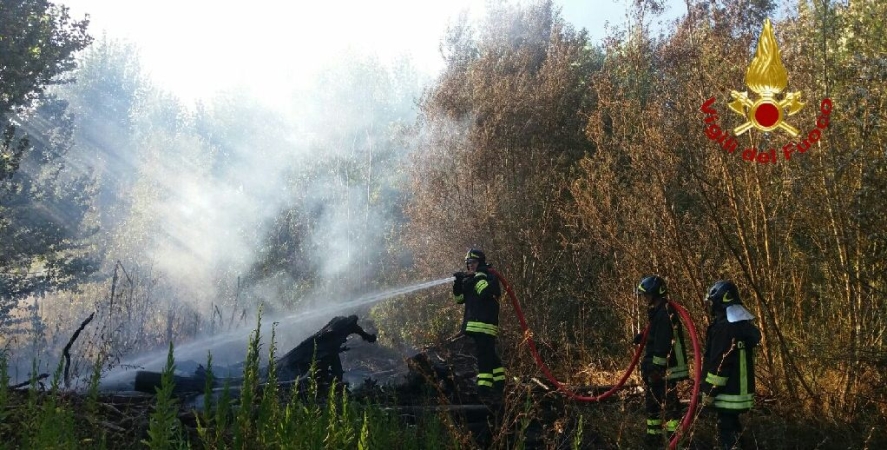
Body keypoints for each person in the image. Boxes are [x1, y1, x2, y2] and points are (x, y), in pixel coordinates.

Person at [700, 280, 762, 450]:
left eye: (712, 302)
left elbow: (720, 364)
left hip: (727, 394)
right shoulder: (741, 326)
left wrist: (709, 392)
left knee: (727, 433)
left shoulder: (724, 329)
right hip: (741, 393)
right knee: (734, 429)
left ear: (720, 301)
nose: (711, 306)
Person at [635, 275, 690, 448]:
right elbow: (657, 334)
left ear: (654, 294)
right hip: (660, 369)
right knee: (653, 403)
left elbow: (663, 342)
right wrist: (644, 336)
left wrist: (656, 367)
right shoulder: (659, 311)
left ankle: (674, 439)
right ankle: (654, 439)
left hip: (664, 369)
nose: (644, 298)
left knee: (669, 403)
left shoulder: (665, 313)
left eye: (646, 295)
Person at [453, 248, 505, 402]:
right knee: (490, 355)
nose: (470, 266)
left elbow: (484, 292)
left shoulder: (490, 277)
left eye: (473, 263)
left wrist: (479, 274)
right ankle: (499, 383)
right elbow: (460, 299)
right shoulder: (471, 279)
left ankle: (484, 388)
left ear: (481, 263)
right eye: (468, 264)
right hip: (474, 326)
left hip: (486, 325)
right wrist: (457, 284)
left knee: (484, 357)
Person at [275, 314, 377, 384]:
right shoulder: (344, 324)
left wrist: (370, 337)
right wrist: (371, 337)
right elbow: (366, 336)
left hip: (327, 350)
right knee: (335, 371)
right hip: (325, 351)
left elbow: (365, 336)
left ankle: (334, 383)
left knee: (334, 370)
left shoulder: (339, 321)